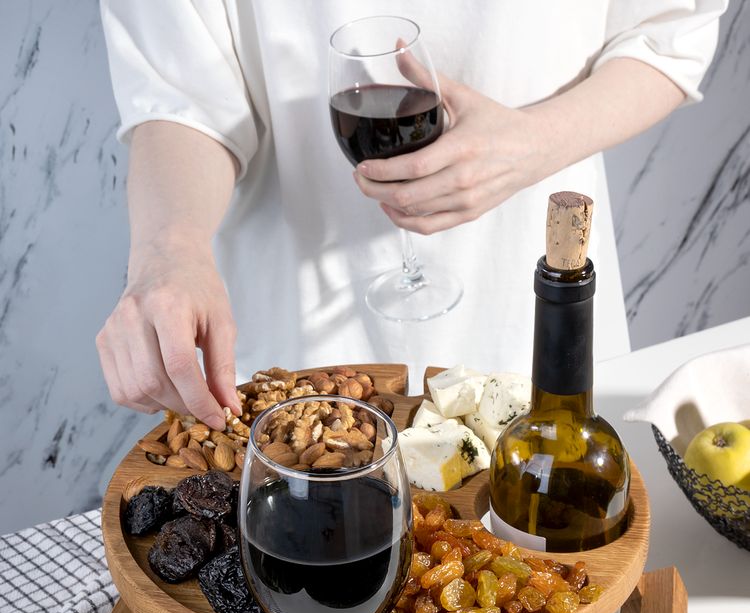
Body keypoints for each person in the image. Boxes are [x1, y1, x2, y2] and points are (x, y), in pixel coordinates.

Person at [96, 1, 727, 430]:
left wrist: (533, 144)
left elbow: (670, 33)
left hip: (531, 308)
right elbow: (181, 97)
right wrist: (169, 252)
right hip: (302, 340)